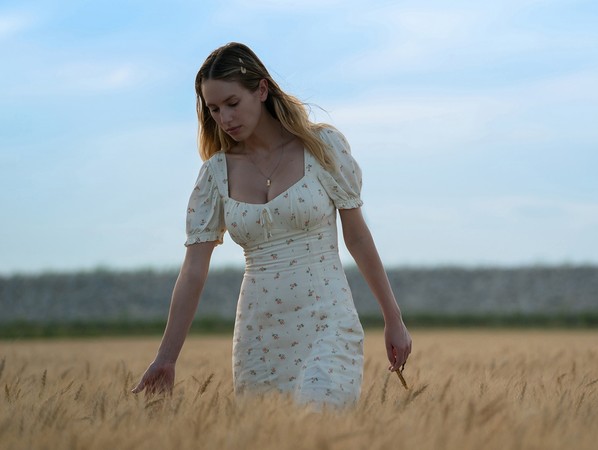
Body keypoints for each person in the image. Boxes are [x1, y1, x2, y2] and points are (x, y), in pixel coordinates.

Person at [132, 42, 412, 409]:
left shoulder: (321, 148)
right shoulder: (215, 175)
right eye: (214, 109)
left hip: (327, 321)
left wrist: (393, 317)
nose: (225, 118)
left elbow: (357, 237)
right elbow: (193, 270)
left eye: (232, 103)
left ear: (261, 90)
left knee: (319, 426)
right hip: (258, 334)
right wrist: (167, 357)